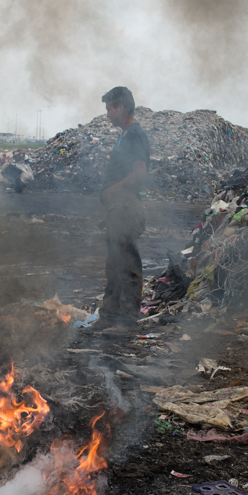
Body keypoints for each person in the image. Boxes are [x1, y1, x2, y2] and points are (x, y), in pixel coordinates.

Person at [97, 87, 150, 334]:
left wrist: (112, 190)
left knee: (127, 266)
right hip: (118, 211)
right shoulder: (124, 135)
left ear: (121, 108)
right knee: (114, 266)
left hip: (126, 209)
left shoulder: (134, 135)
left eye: (109, 109)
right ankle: (108, 318)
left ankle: (127, 322)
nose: (107, 114)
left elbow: (140, 173)